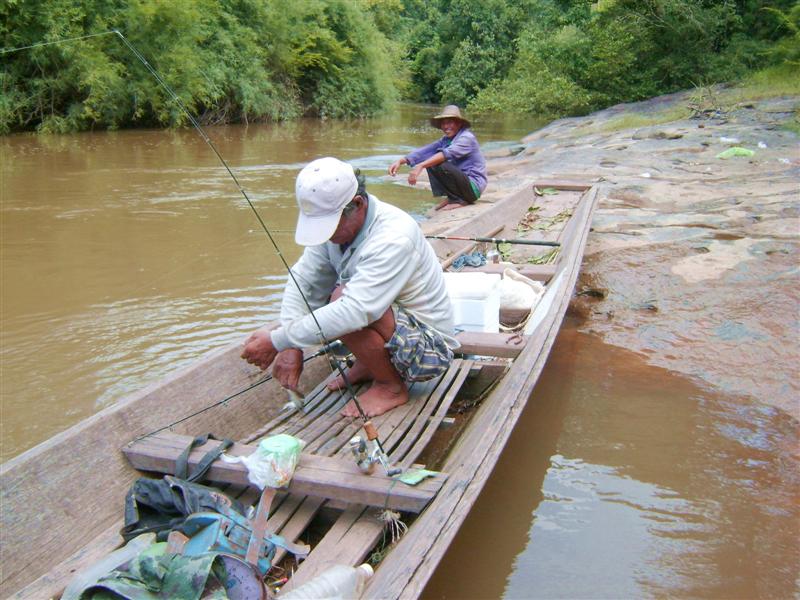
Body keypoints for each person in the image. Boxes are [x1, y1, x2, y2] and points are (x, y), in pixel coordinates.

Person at [241, 157, 459, 417]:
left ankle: (391, 386)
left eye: (329, 225)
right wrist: (289, 345)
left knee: (341, 300)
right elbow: (305, 284)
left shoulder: (393, 236)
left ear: (357, 204)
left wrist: (277, 339)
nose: (326, 235)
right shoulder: (334, 233)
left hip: (428, 351)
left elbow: (356, 311)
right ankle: (371, 363)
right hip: (391, 331)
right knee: (329, 300)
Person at [388, 105, 487, 211]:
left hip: (473, 188)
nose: (445, 126)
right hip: (463, 185)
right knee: (432, 159)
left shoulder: (467, 138)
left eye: (450, 122)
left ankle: (459, 200)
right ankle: (453, 197)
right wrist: (401, 161)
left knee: (438, 162)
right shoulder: (446, 140)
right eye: (444, 123)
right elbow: (426, 151)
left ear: (459, 123)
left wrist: (420, 166)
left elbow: (447, 154)